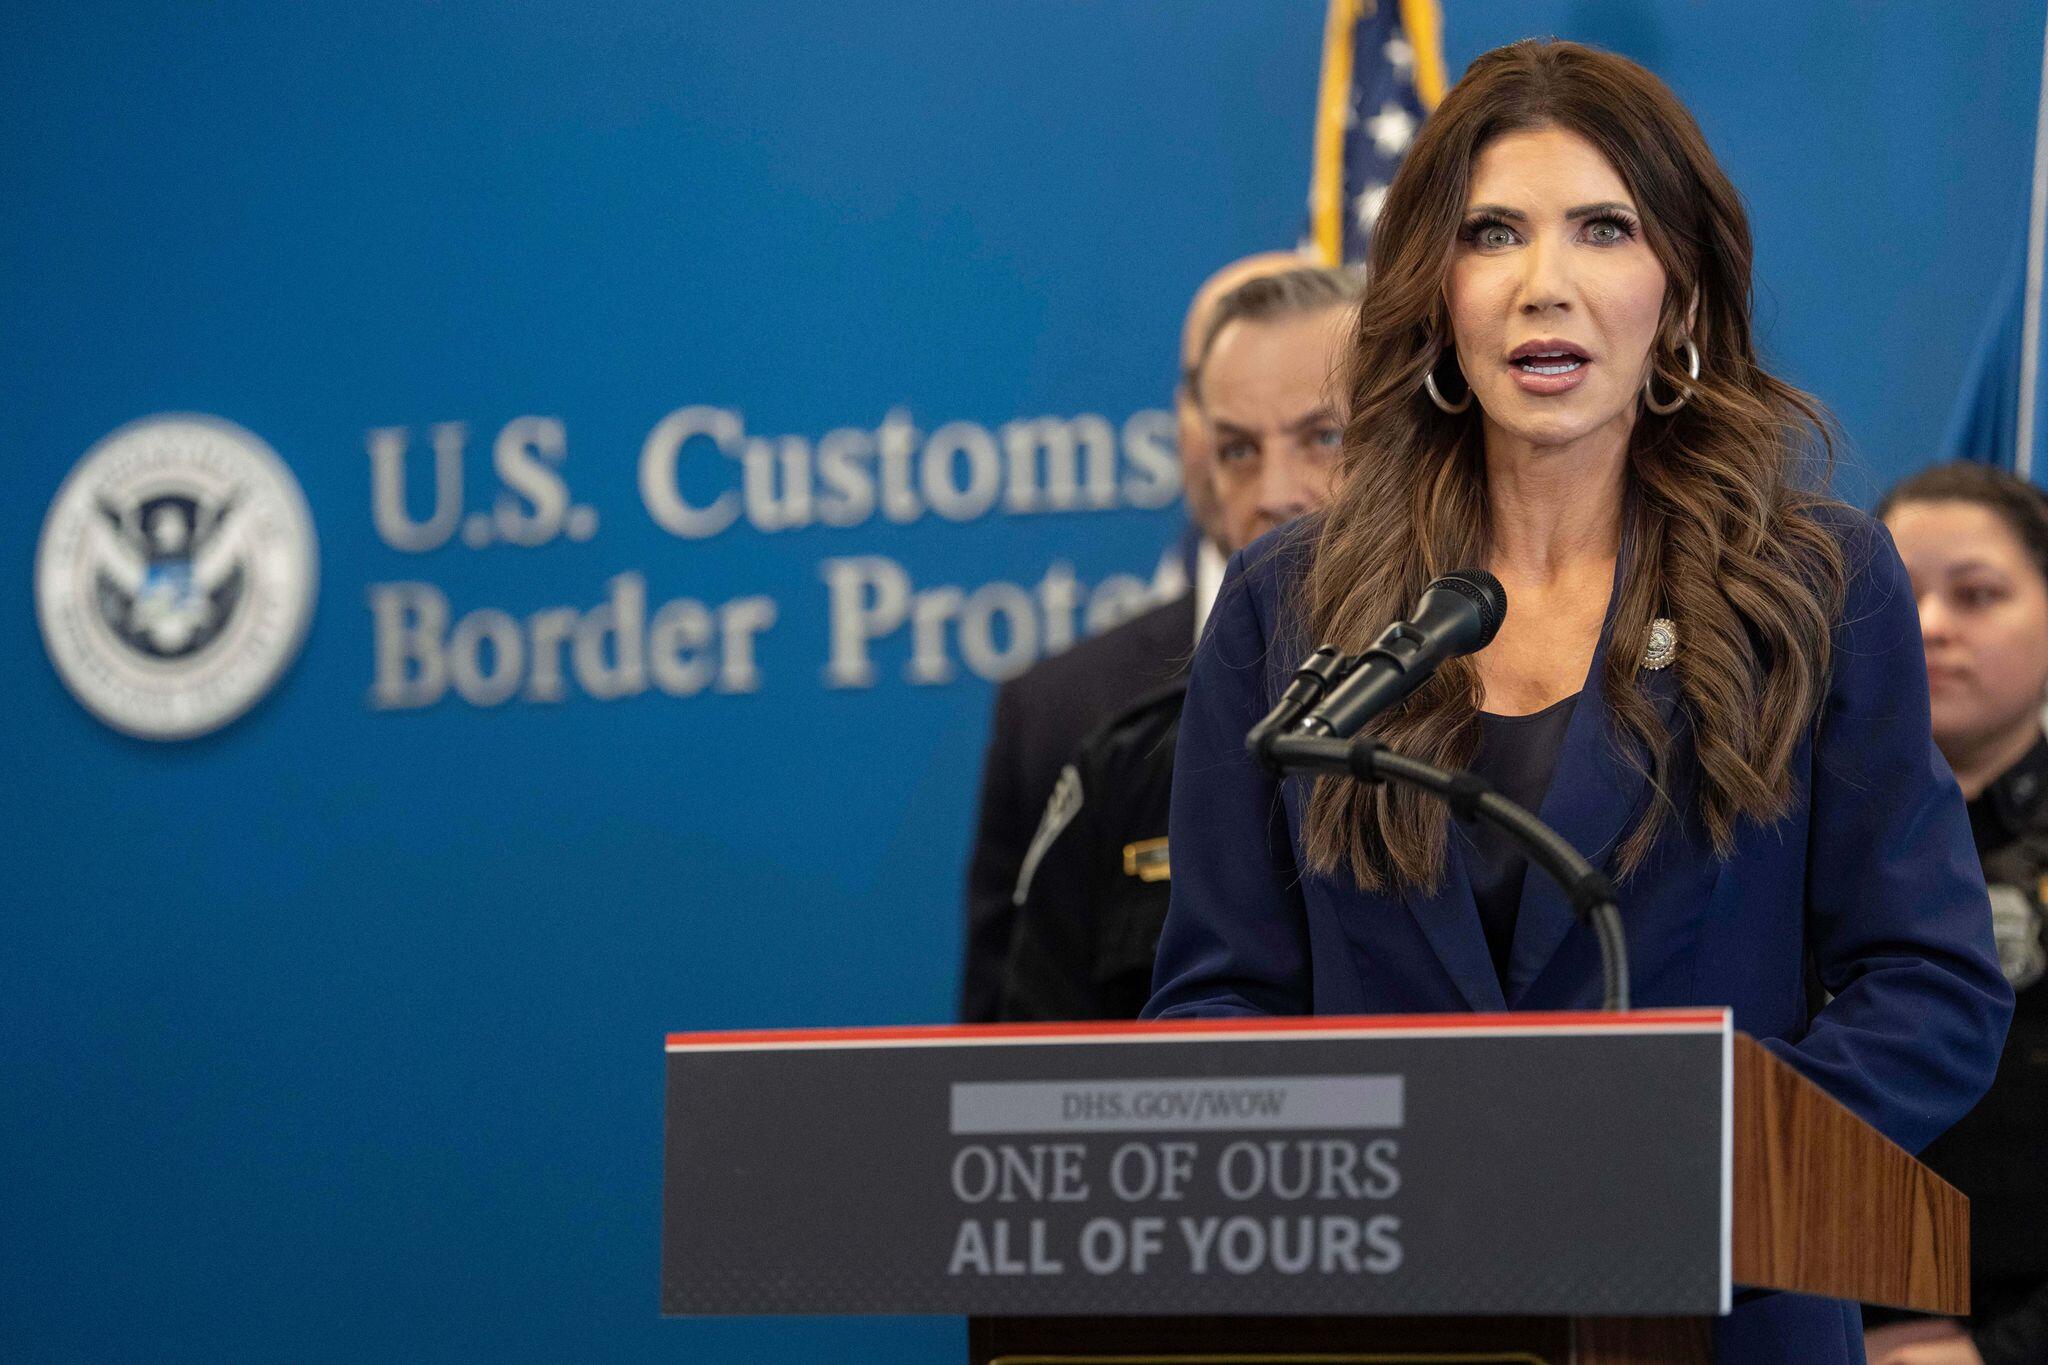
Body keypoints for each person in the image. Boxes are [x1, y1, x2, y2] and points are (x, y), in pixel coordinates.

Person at [1140, 39, 2013, 1364]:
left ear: (1681, 290)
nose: (1542, 284)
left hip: (1718, 1313)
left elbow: (1930, 982)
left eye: (1604, 228)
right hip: (1391, 1317)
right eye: (1492, 233)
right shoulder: (1288, 601)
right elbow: (1217, 995)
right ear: (1436, 291)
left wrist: (1702, 1166)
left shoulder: (1812, 585)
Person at [995, 265, 1363, 1021]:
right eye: (1238, 451)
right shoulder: (1113, 758)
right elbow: (1018, 1071)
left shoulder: (1496, 705)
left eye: (1323, 438)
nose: (1276, 493)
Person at [1861, 463, 2048, 1365]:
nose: (1931, 625)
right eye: (1900, 594)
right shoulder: (1772, 831)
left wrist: (2001, 1352)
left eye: (1977, 595)